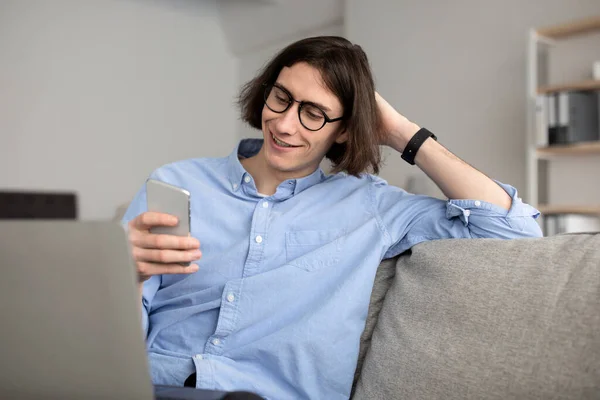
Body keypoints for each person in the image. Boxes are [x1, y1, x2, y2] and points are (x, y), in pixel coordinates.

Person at [121, 36, 542, 399]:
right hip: (149, 385)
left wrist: (401, 133)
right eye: (282, 98)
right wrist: (124, 274)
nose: (285, 124)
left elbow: (514, 230)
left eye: (314, 114)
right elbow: (110, 331)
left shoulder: (371, 208)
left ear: (344, 130)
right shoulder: (177, 183)